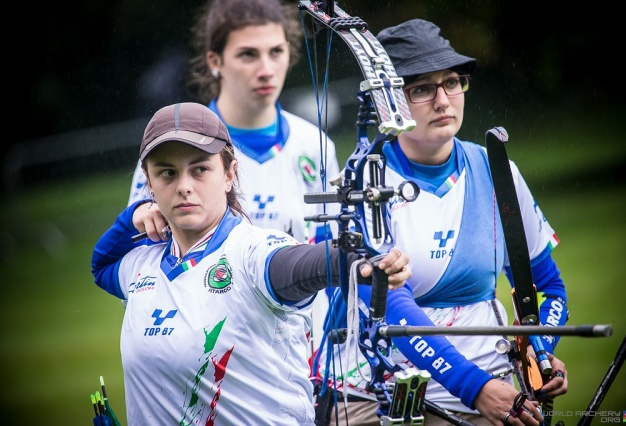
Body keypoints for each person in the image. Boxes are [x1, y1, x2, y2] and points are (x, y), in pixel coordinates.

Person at [313, 19, 569, 426]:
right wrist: (474, 387)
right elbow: (391, 309)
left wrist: (538, 350)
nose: (443, 100)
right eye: (421, 88)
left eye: (452, 81)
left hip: (494, 384)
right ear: (388, 102)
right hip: (383, 395)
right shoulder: (360, 185)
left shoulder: (495, 169)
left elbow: (549, 288)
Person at [91, 102, 411, 425]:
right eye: (167, 173)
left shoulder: (251, 250)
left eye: (200, 169)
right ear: (149, 183)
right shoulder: (141, 264)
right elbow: (100, 266)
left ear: (229, 174)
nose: (184, 186)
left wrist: (353, 260)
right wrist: (132, 217)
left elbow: (295, 266)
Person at [128, 0, 340, 246]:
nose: (266, 69)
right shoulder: (173, 144)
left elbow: (332, 255)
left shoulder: (315, 144)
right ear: (215, 61)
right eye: (248, 54)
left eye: (276, 52)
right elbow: (142, 260)